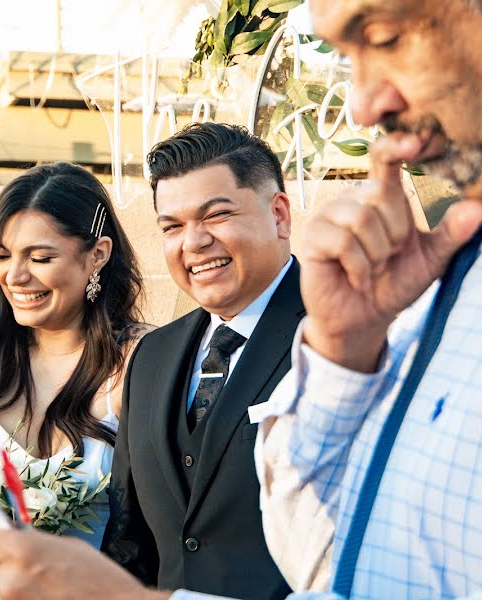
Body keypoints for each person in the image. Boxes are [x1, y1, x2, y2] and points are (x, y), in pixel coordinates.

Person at [0, 0, 482, 597]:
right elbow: (336, 561)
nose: (363, 104)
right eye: (172, 225)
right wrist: (342, 357)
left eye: (382, 36)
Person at [0, 162, 151, 557]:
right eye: (2, 255)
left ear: (98, 255)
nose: (14, 276)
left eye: (39, 257)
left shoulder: (140, 360)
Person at [101, 122, 300, 599]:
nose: (192, 243)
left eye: (215, 215)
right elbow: (130, 540)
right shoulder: (151, 356)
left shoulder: (347, 340)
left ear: (279, 215)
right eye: (172, 226)